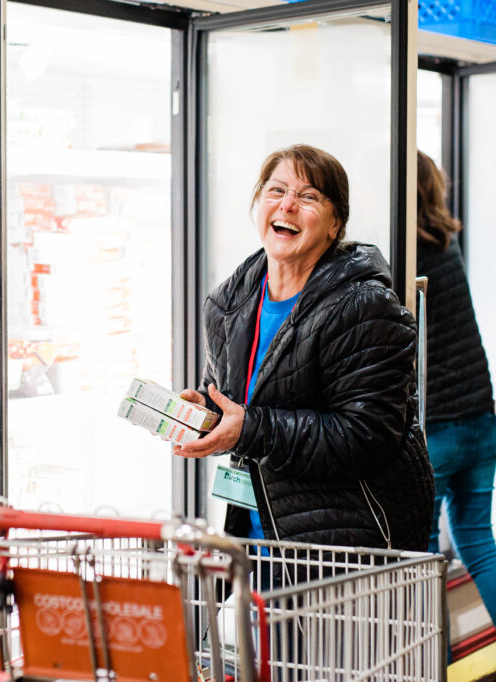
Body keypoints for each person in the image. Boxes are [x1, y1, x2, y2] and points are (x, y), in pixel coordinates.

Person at [173, 144, 434, 555]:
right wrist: (205, 410)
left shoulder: (364, 308)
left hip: (347, 544)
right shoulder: (228, 302)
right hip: (258, 534)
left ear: (335, 225)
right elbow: (239, 398)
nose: (288, 205)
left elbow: (367, 436)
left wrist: (249, 427)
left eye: (308, 196)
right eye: (276, 190)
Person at [416, 150, 496, 681]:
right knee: (481, 547)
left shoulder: (405, 255)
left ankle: (430, 674)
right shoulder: (448, 245)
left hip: (437, 432)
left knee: (420, 567)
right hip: (479, 421)